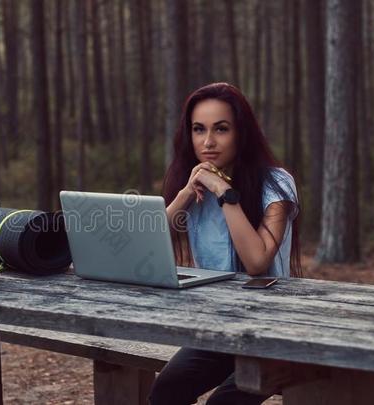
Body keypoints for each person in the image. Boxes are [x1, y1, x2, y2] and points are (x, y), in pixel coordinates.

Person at [148, 82, 302, 405]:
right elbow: (148, 244)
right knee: (165, 391)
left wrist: (223, 191)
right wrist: (185, 193)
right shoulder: (193, 186)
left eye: (221, 129)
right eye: (198, 129)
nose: (207, 142)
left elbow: (257, 261)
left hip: (273, 329)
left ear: (240, 133)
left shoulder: (277, 184)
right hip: (218, 325)